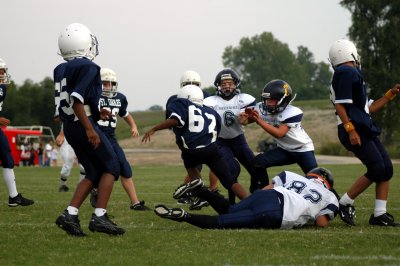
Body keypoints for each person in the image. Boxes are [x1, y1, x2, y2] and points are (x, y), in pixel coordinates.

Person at [54, 23, 124, 236]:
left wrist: (98, 111)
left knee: (93, 172)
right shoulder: (89, 67)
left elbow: (70, 101)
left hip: (71, 126)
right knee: (112, 167)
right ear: (84, 43)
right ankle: (100, 216)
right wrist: (90, 128)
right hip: (82, 125)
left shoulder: (61, 68)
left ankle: (70, 214)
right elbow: (77, 100)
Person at [328, 39, 400, 227]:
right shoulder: (346, 72)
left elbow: (370, 108)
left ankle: (379, 214)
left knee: (386, 169)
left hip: (363, 127)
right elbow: (340, 105)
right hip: (353, 128)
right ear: (350, 53)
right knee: (377, 168)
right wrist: (350, 129)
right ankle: (344, 203)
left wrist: (390, 94)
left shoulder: (350, 73)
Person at [142, 85, 248, 202]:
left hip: (192, 151)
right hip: (211, 149)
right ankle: (250, 201)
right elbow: (216, 131)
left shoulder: (182, 103)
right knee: (230, 181)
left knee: (189, 163)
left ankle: (199, 189)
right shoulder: (211, 111)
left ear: (184, 96)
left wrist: (154, 129)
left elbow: (175, 120)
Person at [155, 167, 339, 229]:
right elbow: (321, 222)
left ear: (311, 176)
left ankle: (202, 190)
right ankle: (184, 216)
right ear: (327, 184)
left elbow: (267, 188)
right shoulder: (329, 196)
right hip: (277, 212)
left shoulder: (292, 175)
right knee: (220, 222)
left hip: (267, 196)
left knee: (231, 210)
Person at [240, 79, 317, 190]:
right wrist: (244, 119)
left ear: (283, 100)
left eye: (272, 100)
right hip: (284, 150)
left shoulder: (293, 112)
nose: (268, 103)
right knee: (258, 162)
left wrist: (259, 121)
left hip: (302, 150)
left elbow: (280, 133)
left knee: (316, 179)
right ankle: (261, 193)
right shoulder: (262, 108)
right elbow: (246, 120)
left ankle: (338, 203)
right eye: (267, 100)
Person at [92, 67, 149, 211]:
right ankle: (96, 190)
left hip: (111, 137)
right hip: (96, 135)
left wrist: (134, 126)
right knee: (106, 166)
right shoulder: (93, 95)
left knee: (124, 167)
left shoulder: (120, 98)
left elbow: (125, 113)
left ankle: (135, 203)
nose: (108, 86)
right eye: (105, 83)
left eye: (111, 84)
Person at [166, 70, 219, 210]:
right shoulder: (174, 99)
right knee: (197, 166)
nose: (191, 86)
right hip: (188, 139)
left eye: (194, 84)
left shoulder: (206, 97)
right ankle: (193, 193)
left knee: (212, 165)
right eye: (188, 84)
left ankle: (211, 191)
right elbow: (172, 122)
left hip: (205, 137)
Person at [203, 68, 258, 202]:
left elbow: (253, 118)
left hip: (239, 140)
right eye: (224, 83)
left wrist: (247, 120)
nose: (227, 86)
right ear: (218, 85)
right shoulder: (210, 102)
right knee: (231, 171)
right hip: (221, 142)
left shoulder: (244, 99)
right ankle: (232, 202)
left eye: (230, 83)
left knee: (256, 167)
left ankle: (257, 194)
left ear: (236, 84)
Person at [0, 57, 34, 207]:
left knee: (7, 157)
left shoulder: (2, 88)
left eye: (3, 71)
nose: (2, 74)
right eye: (0, 71)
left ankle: (14, 197)